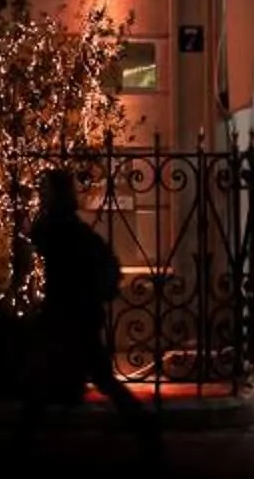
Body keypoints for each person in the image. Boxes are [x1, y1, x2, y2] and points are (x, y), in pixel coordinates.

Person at [22, 168, 159, 446]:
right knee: (94, 378)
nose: (42, 195)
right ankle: (144, 429)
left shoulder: (58, 228)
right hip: (79, 314)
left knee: (44, 381)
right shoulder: (74, 228)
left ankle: (145, 429)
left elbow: (35, 235)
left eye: (45, 190)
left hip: (64, 315)